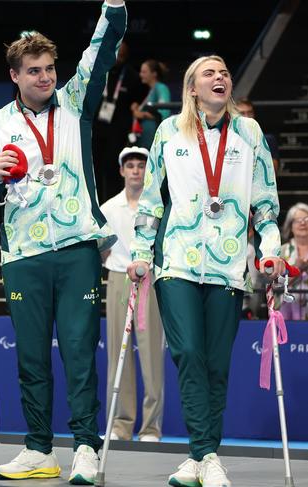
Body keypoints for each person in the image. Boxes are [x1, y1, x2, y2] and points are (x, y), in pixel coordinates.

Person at [0, 1, 126, 483]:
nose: (45, 77)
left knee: (79, 349)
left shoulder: (75, 101)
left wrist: (113, 8)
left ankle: (84, 446)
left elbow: (100, 52)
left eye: (49, 68)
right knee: (32, 355)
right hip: (22, 256)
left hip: (78, 248)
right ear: (14, 75)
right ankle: (39, 449)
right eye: (34, 70)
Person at [127, 55, 284, 487]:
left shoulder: (249, 133)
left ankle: (199, 460)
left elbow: (266, 205)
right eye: (209, 73)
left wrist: (271, 251)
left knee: (216, 365)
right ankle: (207, 455)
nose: (220, 77)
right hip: (176, 262)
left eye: (225, 72)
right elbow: (151, 202)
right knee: (189, 353)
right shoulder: (167, 132)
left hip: (229, 267)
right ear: (191, 88)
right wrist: (142, 251)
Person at [100, 146, 164, 442]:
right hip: (118, 278)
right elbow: (101, 249)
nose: (136, 170)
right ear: (122, 171)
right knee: (118, 353)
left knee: (151, 354)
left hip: (149, 280)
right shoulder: (109, 208)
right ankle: (121, 424)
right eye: (131, 165)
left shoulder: (157, 206)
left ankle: (150, 427)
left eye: (141, 165)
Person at [92, 42, 147, 203]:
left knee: (113, 170)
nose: (118, 58)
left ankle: (112, 205)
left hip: (118, 132)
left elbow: (139, 102)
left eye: (122, 55)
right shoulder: (98, 72)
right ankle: (94, 204)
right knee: (94, 169)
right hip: (96, 129)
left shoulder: (132, 77)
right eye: (116, 53)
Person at [130, 59, 170, 150]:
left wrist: (141, 114)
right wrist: (137, 109)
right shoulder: (151, 90)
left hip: (152, 136)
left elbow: (164, 113)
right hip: (144, 136)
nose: (140, 75)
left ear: (154, 74)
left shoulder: (161, 88)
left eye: (144, 72)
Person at [235, 98, 280, 174]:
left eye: (250, 112)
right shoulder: (227, 140)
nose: (247, 116)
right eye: (242, 113)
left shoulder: (267, 140)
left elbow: (272, 173)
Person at [279, 202, 308, 320]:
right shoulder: (281, 251)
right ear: (290, 226)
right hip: (286, 312)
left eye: (306, 219)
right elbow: (275, 285)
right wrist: (296, 269)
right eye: (297, 220)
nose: (302, 223)